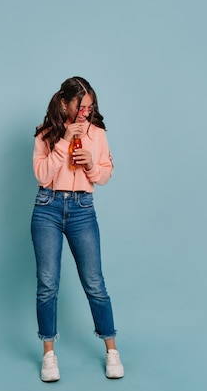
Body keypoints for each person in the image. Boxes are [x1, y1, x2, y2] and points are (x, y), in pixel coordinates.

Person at [30, 77, 124, 382]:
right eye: (81, 105)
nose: (86, 111)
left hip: (82, 209)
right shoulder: (46, 135)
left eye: (90, 106)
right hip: (47, 208)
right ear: (64, 103)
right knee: (47, 283)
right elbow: (42, 176)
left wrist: (90, 167)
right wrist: (62, 142)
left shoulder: (97, 134)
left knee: (94, 282)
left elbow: (105, 175)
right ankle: (49, 354)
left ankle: (111, 350)